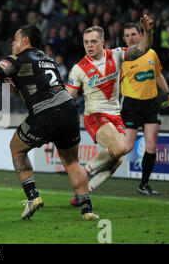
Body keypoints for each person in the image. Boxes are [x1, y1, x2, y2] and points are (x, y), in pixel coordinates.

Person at [0, 25, 99, 221]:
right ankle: (87, 210)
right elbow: (32, 88)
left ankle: (32, 197)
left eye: (15, 38)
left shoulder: (17, 59)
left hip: (45, 112)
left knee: (16, 148)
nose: (12, 42)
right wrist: (14, 88)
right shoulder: (49, 60)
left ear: (26, 41)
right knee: (72, 161)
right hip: (69, 110)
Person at [65, 15, 154, 206]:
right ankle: (84, 171)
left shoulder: (116, 55)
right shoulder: (78, 69)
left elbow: (142, 49)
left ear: (102, 42)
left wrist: (147, 31)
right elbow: (68, 95)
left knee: (116, 161)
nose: (89, 45)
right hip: (94, 116)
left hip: (115, 116)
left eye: (93, 42)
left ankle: (83, 194)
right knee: (121, 148)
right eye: (86, 42)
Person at [120, 23, 169, 195]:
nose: (131, 37)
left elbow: (158, 75)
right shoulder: (122, 58)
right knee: (127, 147)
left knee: (151, 145)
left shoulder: (151, 53)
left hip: (151, 105)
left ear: (140, 35)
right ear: (124, 39)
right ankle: (99, 168)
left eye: (133, 34)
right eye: (127, 35)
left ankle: (143, 184)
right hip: (131, 106)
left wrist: (168, 93)